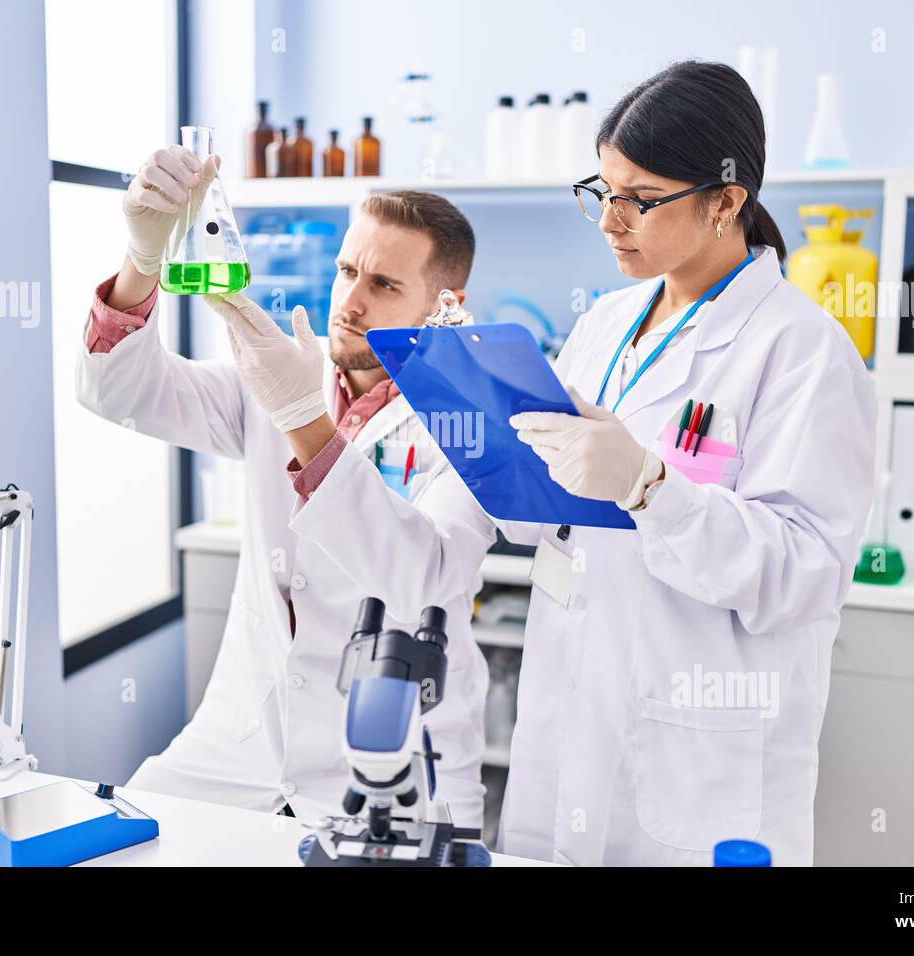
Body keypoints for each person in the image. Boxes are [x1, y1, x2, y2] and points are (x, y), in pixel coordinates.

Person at [221, 61, 876, 865]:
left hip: (699, 763)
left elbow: (805, 575)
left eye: (640, 198)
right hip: (567, 729)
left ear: (726, 202)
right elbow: (544, 520)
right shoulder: (605, 324)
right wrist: (494, 447)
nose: (609, 219)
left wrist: (651, 487)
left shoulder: (803, 352)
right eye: (602, 190)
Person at [74, 146, 489, 826]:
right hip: (240, 746)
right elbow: (119, 392)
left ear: (446, 305)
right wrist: (140, 261)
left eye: (383, 285)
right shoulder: (279, 373)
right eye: (347, 270)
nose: (350, 303)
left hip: (395, 763)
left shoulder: (469, 416)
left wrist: (303, 421)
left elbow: (423, 573)